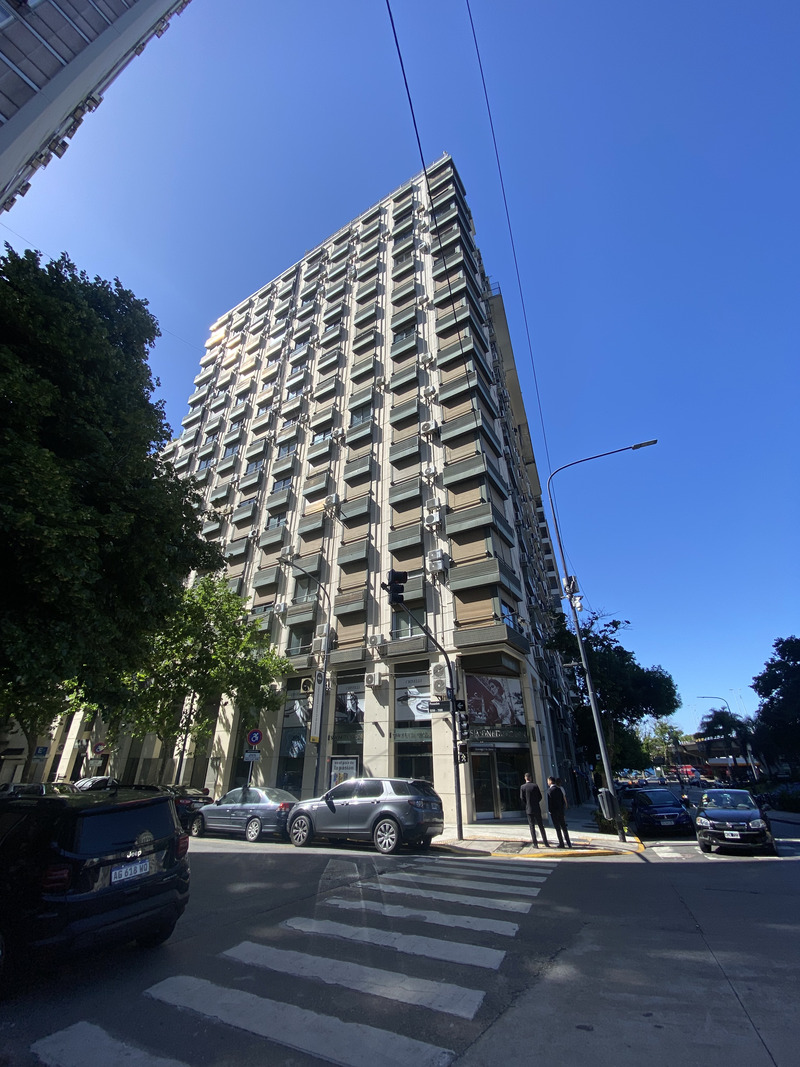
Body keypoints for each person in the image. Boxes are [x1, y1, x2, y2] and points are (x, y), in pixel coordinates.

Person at [519, 773, 549, 847]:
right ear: (530, 778)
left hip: (529, 809)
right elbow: (540, 796)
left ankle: (535, 844)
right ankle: (546, 842)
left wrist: (527, 803)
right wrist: (535, 802)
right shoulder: (535, 786)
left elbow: (522, 798)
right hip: (536, 808)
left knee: (532, 826)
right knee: (541, 825)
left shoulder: (523, 787)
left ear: (525, 778)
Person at [547, 776, 572, 848]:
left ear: (550, 781)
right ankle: (568, 843)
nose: (547, 782)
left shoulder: (550, 791)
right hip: (560, 811)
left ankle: (561, 843)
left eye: (548, 781)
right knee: (564, 827)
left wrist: (550, 811)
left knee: (558, 828)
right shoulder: (559, 789)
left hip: (554, 812)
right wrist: (562, 809)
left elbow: (550, 802)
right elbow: (562, 800)